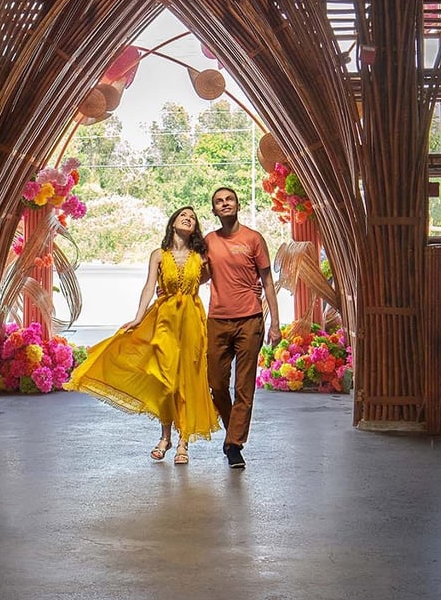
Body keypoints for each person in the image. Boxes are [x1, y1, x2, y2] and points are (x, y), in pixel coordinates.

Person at [66, 206, 220, 464]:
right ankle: (165, 435)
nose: (188, 219)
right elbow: (149, 286)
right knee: (165, 380)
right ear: (173, 223)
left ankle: (183, 442)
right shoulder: (158, 255)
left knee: (188, 379)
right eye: (183, 215)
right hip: (164, 320)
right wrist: (138, 317)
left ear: (195, 227)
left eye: (192, 218)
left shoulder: (201, 256)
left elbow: (209, 280)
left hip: (192, 322)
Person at [205, 186, 282, 469]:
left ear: (237, 205)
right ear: (213, 210)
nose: (225, 204)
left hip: (250, 319)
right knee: (216, 384)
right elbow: (198, 275)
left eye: (229, 200)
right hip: (217, 320)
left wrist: (275, 321)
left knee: (244, 387)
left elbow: (268, 282)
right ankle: (231, 432)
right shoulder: (209, 241)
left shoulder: (253, 239)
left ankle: (234, 444)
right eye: (219, 202)